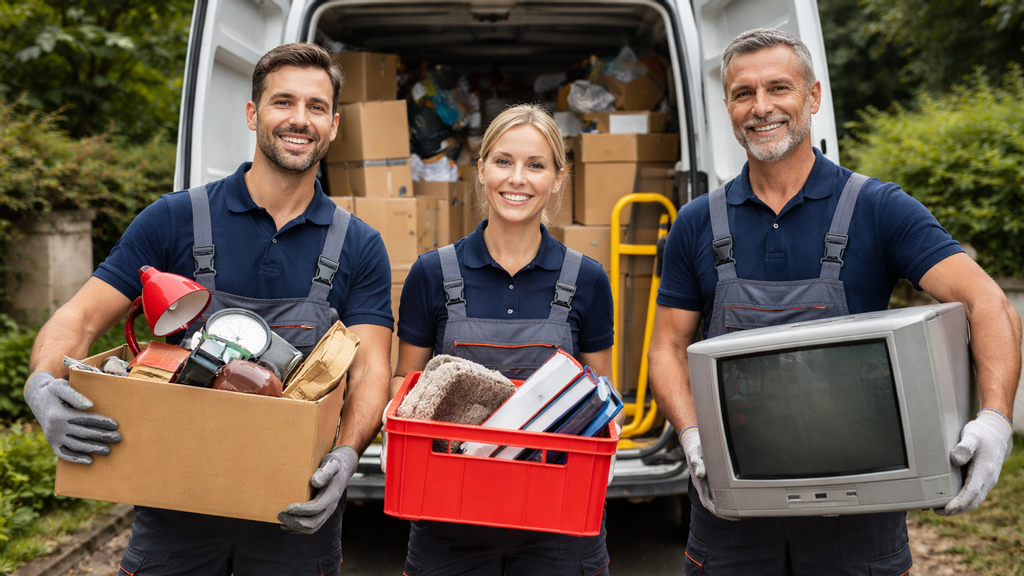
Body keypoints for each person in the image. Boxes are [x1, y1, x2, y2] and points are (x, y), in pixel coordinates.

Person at [648, 28, 1021, 576]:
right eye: (743, 93)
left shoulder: (878, 208)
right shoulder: (697, 222)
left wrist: (994, 420)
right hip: (731, 513)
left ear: (814, 96)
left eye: (779, 88)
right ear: (727, 106)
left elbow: (988, 302)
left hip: (859, 516)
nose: (762, 107)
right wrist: (691, 434)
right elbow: (667, 346)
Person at [23, 43, 393, 576]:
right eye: (282, 101)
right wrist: (42, 384)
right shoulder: (175, 219)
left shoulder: (359, 246)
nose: (299, 119)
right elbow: (79, 317)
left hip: (294, 517)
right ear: (252, 113)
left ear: (334, 126)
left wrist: (349, 453)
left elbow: (371, 367)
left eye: (316, 107)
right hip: (175, 517)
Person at [390, 103, 616, 576]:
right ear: (481, 169)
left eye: (536, 165)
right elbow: (404, 386)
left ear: (557, 179)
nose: (518, 178)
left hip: (559, 527)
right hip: (449, 524)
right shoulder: (432, 274)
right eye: (503, 161)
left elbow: (599, 400)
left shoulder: (588, 279)